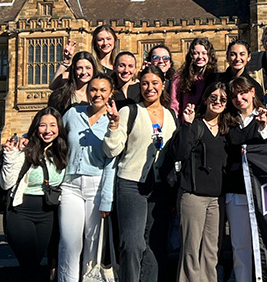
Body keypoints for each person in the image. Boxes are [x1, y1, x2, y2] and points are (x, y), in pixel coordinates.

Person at [103, 66, 177, 282]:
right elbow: (112, 150)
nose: (149, 88)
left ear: (163, 85)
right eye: (145, 83)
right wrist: (114, 126)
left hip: (160, 187)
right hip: (131, 184)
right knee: (132, 244)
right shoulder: (130, 111)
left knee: (155, 245)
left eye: (155, 83)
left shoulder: (171, 115)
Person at [58, 74, 117, 282]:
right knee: (69, 242)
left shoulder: (114, 120)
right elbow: (57, 142)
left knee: (94, 243)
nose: (97, 94)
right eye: (93, 89)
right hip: (70, 185)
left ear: (111, 93)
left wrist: (107, 199)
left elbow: (112, 161)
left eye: (103, 90)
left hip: (97, 185)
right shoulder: (73, 114)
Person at [0, 107, 68, 282]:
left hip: (48, 214)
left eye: (53, 125)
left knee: (34, 263)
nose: (48, 130)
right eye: (43, 125)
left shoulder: (62, 151)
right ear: (36, 127)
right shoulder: (25, 148)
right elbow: (5, 183)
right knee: (30, 264)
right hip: (21, 212)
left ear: (59, 127)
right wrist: (10, 156)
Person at [174, 82, 232, 282]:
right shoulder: (196, 125)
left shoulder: (227, 128)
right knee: (191, 249)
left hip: (217, 198)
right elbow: (180, 152)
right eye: (213, 97)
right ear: (206, 99)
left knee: (211, 250)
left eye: (222, 99)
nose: (217, 102)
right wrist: (187, 124)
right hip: (193, 196)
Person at [225, 77, 267, 282]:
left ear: (252, 92)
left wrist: (263, 128)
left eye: (243, 93)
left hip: (261, 190)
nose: (239, 98)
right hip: (236, 190)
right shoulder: (228, 120)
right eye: (234, 95)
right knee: (240, 245)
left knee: (265, 242)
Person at [170, 37, 217, 119]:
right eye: (196, 53)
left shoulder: (214, 78)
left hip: (207, 122)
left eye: (204, 53)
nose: (200, 57)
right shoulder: (179, 78)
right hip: (187, 121)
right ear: (191, 55)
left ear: (209, 55)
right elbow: (175, 104)